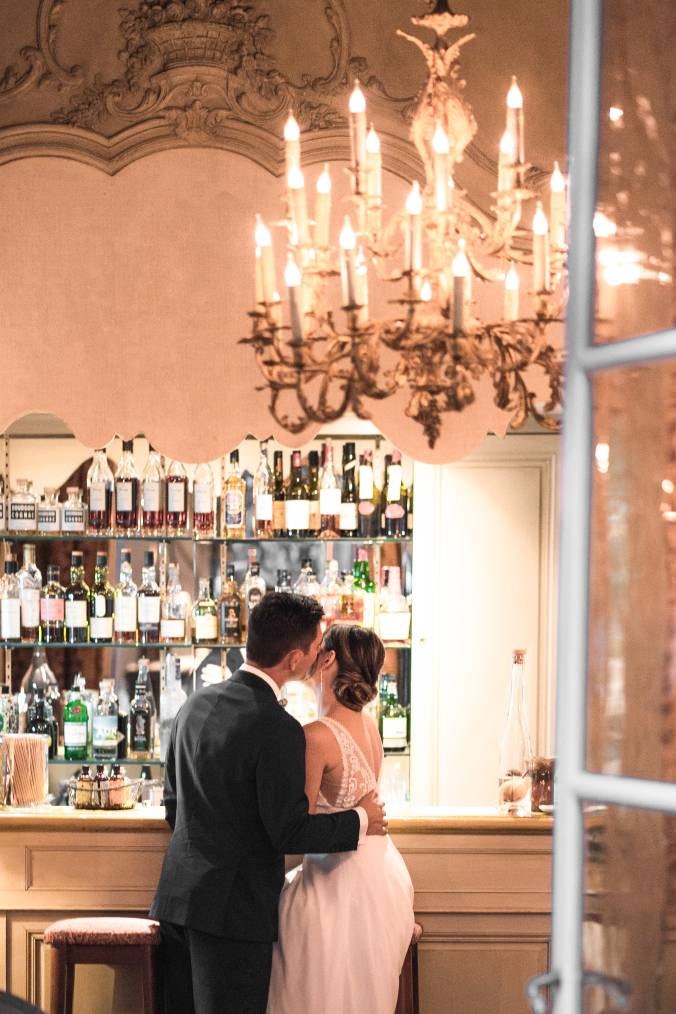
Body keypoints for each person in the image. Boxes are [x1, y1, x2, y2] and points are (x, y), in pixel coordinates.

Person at [150, 593, 387, 1014]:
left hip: (175, 900)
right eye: (316, 646)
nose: (320, 654)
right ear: (295, 660)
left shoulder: (193, 705)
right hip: (234, 912)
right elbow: (289, 830)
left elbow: (172, 805)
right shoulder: (278, 727)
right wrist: (360, 819)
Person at [267, 622, 415, 1014]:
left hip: (336, 886)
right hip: (381, 879)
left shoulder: (316, 736)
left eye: (319, 648)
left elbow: (299, 828)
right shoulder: (371, 728)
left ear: (328, 658)